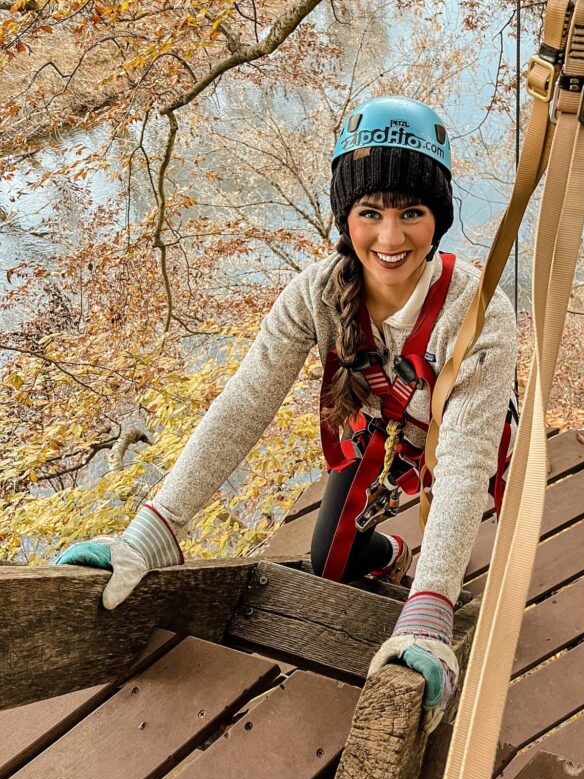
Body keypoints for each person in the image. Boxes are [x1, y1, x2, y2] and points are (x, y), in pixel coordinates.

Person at [58, 95, 517, 730]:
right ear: (346, 215)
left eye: (412, 212)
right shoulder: (316, 295)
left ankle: (427, 582)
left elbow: (465, 464)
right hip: (376, 431)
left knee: (476, 536)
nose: (390, 238)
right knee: (330, 561)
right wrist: (156, 528)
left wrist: (431, 608)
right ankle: (384, 553)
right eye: (369, 212)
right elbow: (244, 405)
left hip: (454, 435)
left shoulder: (480, 310)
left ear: (436, 217)